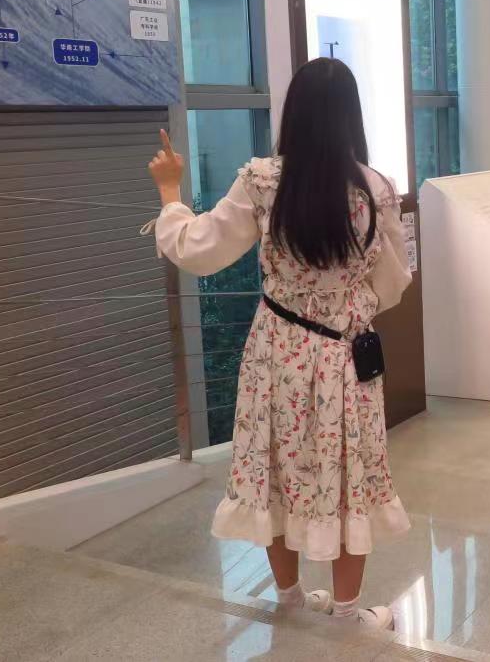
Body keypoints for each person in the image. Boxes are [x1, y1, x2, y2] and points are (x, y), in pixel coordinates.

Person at [147, 58, 413, 627]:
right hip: (345, 357)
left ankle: (290, 599)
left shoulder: (263, 180)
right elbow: (393, 282)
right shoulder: (376, 189)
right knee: (349, 476)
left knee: (274, 468)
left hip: (276, 353)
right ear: (351, 116)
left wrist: (170, 188)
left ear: (293, 112)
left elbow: (199, 249)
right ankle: (348, 613)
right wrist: (349, 305)